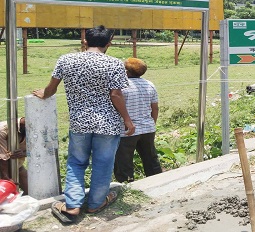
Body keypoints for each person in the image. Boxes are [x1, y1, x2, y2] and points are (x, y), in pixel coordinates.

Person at [33, 25, 135, 223]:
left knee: (76, 163)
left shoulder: (65, 60)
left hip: (79, 122)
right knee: (103, 163)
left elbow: (51, 89)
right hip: (108, 124)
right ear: (108, 44)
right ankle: (96, 203)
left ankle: (72, 206)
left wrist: (43, 94)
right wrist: (127, 119)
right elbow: (116, 94)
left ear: (85, 41)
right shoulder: (114, 64)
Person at [114, 58, 162, 183]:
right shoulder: (149, 84)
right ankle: (157, 181)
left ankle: (126, 184)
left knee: (124, 161)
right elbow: (155, 108)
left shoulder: (121, 87)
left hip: (126, 130)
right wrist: (152, 123)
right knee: (150, 158)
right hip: (147, 128)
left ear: (126, 71)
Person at [0, 118, 28, 195]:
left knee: (30, 189)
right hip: (3, 165)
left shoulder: (36, 129)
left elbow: (41, 149)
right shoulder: (3, 130)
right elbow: (2, 158)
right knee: (6, 194)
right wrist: (6, 178)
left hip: (16, 165)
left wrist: (24, 153)